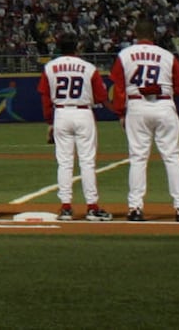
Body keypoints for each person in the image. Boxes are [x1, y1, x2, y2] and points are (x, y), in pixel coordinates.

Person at [110, 18, 179, 222]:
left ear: (135, 34)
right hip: (164, 105)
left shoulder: (125, 54)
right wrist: (165, 90)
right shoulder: (166, 55)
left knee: (138, 158)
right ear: (153, 35)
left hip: (137, 106)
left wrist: (121, 112)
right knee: (172, 158)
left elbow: (118, 87)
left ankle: (135, 208)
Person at [39, 34, 112, 221]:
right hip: (83, 112)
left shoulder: (50, 67)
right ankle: (92, 207)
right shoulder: (88, 67)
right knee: (87, 162)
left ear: (58, 48)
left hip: (61, 113)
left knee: (64, 162)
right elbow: (101, 95)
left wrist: (49, 122)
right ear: (77, 48)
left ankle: (65, 207)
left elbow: (46, 98)